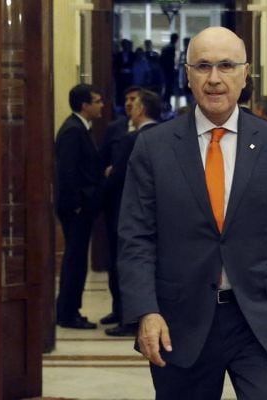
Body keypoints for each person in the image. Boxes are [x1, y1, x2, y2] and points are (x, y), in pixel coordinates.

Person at [117, 27, 267, 399]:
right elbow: (135, 237)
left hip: (258, 317)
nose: (215, 78)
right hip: (180, 320)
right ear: (187, 74)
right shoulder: (153, 147)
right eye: (203, 66)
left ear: (245, 73)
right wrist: (146, 311)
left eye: (226, 65)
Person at [104, 89, 162, 337]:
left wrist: (109, 175)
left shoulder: (132, 140)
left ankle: (129, 318)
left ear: (140, 110)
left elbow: (116, 179)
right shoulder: (166, 137)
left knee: (125, 263)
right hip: (160, 214)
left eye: (134, 104)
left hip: (124, 211)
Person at [54, 84, 106, 329]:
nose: (101, 105)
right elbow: (67, 172)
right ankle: (67, 313)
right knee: (74, 261)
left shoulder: (80, 128)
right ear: (85, 105)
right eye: (97, 101)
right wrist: (75, 204)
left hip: (81, 207)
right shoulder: (73, 131)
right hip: (76, 209)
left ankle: (69, 308)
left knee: (76, 261)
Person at [99, 85, 142, 327]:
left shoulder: (153, 132)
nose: (128, 103)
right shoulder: (115, 128)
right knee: (115, 260)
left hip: (139, 204)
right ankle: (118, 309)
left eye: (133, 99)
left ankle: (135, 313)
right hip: (115, 204)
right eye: (126, 98)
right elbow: (103, 160)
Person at [159, 33, 178, 103]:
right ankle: (166, 102)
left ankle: (165, 102)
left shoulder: (166, 47)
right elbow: (171, 60)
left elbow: (161, 59)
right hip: (169, 70)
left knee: (166, 87)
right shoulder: (171, 47)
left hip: (165, 69)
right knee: (168, 87)